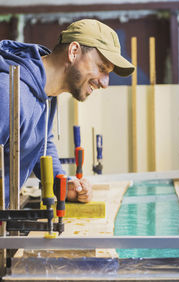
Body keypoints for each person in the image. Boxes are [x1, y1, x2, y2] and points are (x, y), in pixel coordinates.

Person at [0, 19, 135, 207]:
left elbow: (40, 143)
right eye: (102, 68)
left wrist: (61, 182)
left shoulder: (45, 93)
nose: (105, 83)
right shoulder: (8, 93)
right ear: (73, 52)